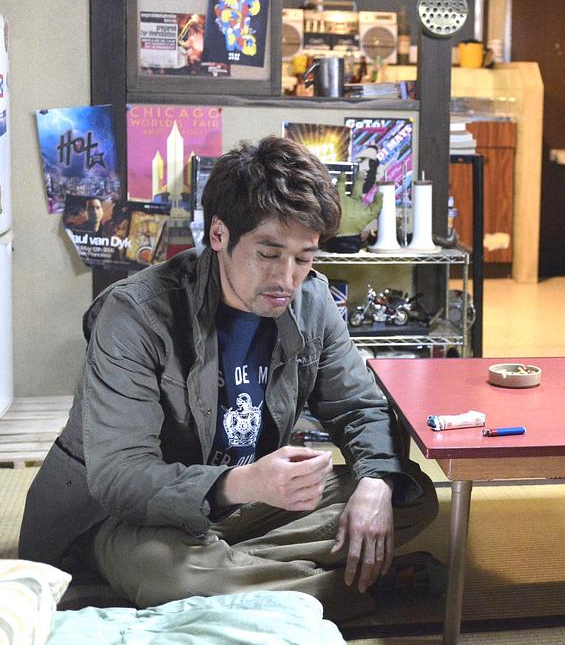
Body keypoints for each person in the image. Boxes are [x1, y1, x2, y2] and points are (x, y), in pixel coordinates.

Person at [20, 135, 440, 621]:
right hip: (120, 518)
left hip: (244, 505)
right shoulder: (135, 314)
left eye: (304, 257)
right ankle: (350, 587)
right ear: (219, 234)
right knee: (169, 572)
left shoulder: (313, 302)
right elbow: (121, 477)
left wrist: (375, 485)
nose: (287, 278)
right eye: (269, 253)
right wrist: (240, 483)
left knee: (410, 494)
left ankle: (233, 575)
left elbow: (358, 406)